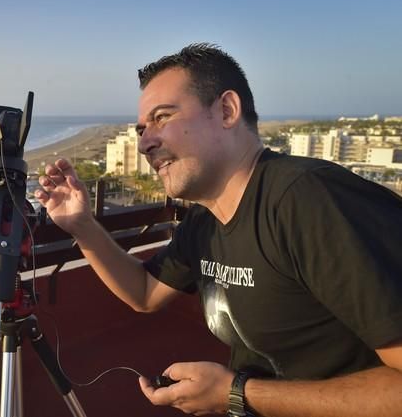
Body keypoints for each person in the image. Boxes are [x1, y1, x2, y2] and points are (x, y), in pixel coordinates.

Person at [34, 43, 402, 416]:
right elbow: (144, 292)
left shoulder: (309, 201)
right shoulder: (205, 219)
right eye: (141, 129)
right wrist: (82, 225)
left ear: (227, 110)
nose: (145, 142)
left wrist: (239, 394)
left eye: (163, 117)